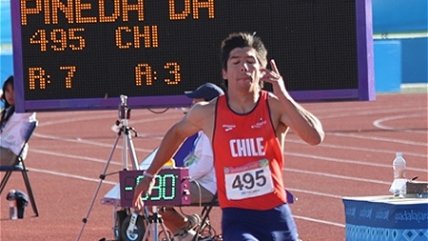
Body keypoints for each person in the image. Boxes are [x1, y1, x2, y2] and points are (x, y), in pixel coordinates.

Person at [133, 32, 325, 241]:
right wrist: (150, 175)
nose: (244, 67)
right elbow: (176, 133)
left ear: (262, 71)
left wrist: (283, 94)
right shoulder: (209, 112)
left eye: (251, 62)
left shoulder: (274, 107)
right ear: (224, 72)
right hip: (238, 218)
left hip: (276, 215)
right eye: (236, 62)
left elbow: (315, 137)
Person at [158, 83, 224, 240]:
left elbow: (204, 166)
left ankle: (187, 226)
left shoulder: (212, 131)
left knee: (158, 194)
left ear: (208, 105)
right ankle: (188, 232)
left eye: (196, 102)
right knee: (160, 191)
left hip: (209, 188)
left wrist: (180, 177)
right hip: (202, 183)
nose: (192, 105)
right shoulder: (204, 129)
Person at [0, 76, 37, 166]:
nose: (10, 94)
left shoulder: (24, 111)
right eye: (7, 91)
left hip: (11, 154)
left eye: (14, 90)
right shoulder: (8, 111)